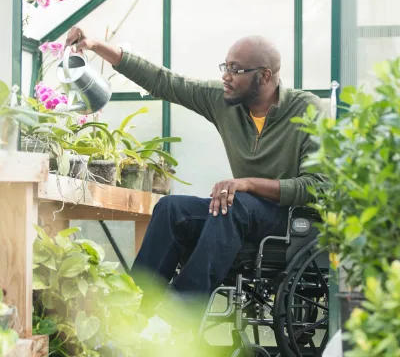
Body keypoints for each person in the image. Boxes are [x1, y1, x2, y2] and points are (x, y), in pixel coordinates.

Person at [65, 27, 325, 333]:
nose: (226, 76)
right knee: (172, 209)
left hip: (291, 222)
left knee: (234, 202)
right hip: (240, 213)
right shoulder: (223, 101)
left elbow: (318, 185)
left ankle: (172, 322)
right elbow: (164, 81)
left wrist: (247, 183)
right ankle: (130, 316)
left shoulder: (306, 109)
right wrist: (95, 45)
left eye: (236, 70)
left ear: (265, 77)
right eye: (225, 66)